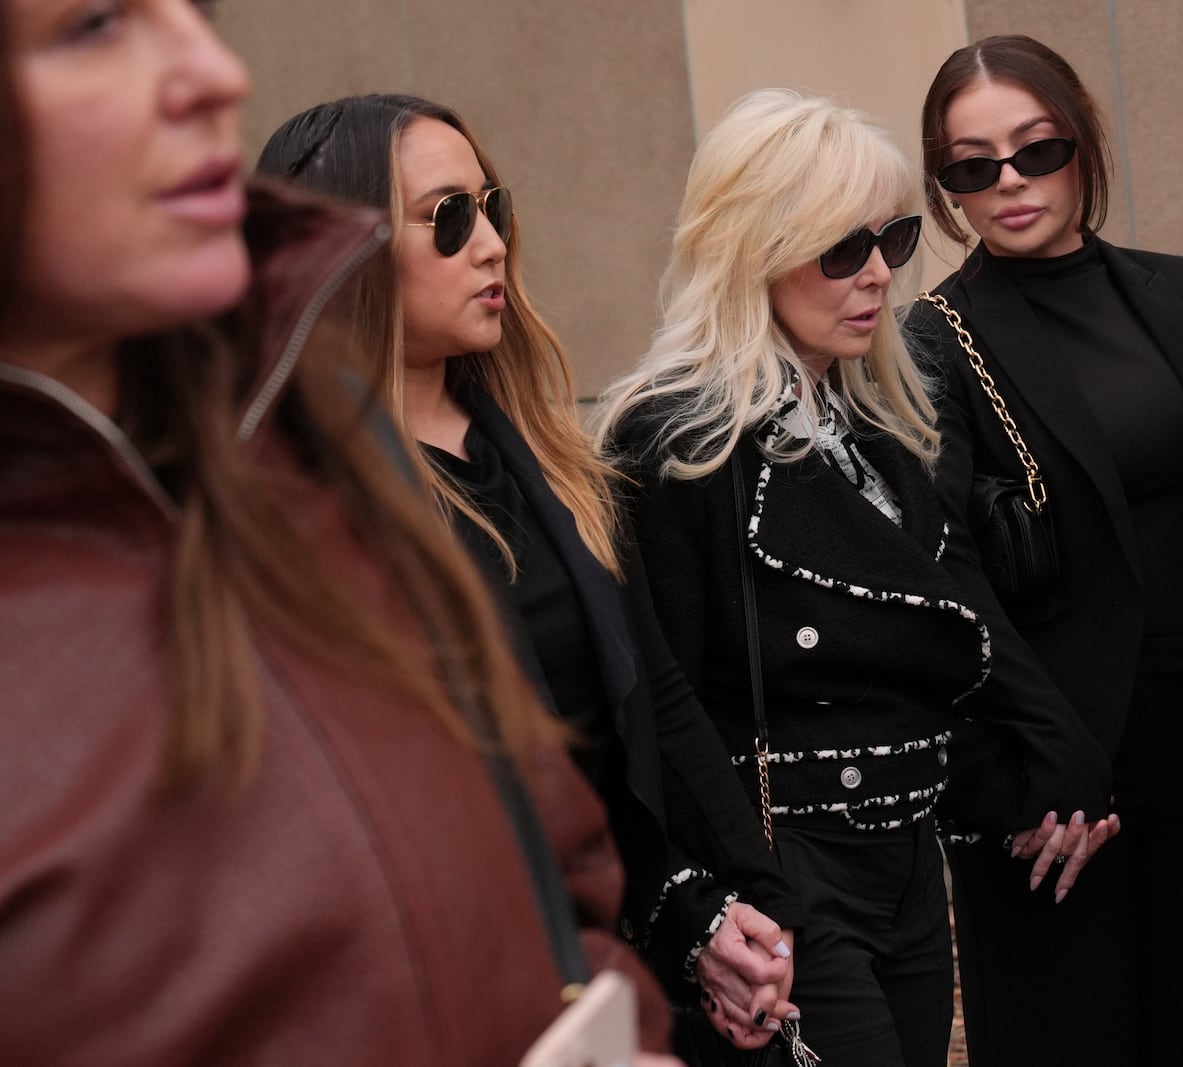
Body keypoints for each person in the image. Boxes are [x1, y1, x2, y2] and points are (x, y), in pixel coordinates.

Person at [0, 1, 677, 1063]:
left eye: (197, 12)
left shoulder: (328, 455)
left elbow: (553, 847)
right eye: (95, 25)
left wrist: (606, 1007)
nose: (215, 71)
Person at [255, 92, 804, 1056]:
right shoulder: (300, 509)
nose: (493, 244)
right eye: (447, 219)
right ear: (338, 250)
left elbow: (653, 702)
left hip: (617, 956)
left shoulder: (547, 458)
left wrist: (739, 902)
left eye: (492, 206)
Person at [596, 89, 1112, 1067]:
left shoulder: (878, 426)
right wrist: (709, 903)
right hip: (778, 863)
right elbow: (660, 704)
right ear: (752, 248)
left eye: (893, 238)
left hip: (907, 860)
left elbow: (944, 637)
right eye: (842, 248)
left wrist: (1047, 767)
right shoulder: (678, 441)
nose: (877, 272)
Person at [903, 34, 1183, 1067]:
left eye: (1036, 150)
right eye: (972, 167)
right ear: (947, 188)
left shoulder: (1177, 290)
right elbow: (949, 575)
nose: (1010, 183)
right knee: (1069, 1033)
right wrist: (1049, 758)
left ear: (1082, 141)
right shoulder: (933, 340)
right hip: (1052, 769)